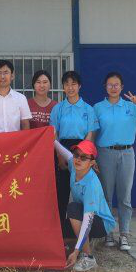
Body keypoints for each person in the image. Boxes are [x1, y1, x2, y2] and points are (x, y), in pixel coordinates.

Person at [93, 71, 136, 251]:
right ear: (105, 87)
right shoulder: (98, 108)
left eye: (116, 85)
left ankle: (124, 234)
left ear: (122, 87)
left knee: (125, 197)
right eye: (110, 84)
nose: (113, 88)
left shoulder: (131, 107)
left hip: (127, 154)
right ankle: (108, 232)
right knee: (106, 196)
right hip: (105, 153)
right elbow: (92, 132)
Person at [54, 139, 117, 272]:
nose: (78, 159)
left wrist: (77, 252)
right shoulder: (74, 165)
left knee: (73, 208)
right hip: (83, 215)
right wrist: (51, 138)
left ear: (92, 162)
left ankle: (88, 257)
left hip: (101, 223)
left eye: (84, 157)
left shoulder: (91, 184)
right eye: (76, 155)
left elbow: (88, 222)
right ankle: (79, 244)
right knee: (58, 232)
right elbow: (63, 151)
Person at [49, 70, 99, 236]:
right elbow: (54, 134)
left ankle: (84, 232)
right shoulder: (58, 108)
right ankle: (60, 233)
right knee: (62, 192)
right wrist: (59, 156)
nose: (70, 87)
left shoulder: (88, 109)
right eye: (67, 84)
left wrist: (84, 157)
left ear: (79, 86)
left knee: (82, 192)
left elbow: (90, 134)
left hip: (82, 150)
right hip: (62, 149)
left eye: (73, 84)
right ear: (63, 87)